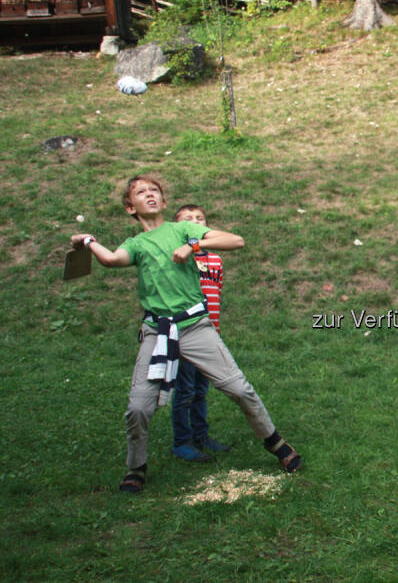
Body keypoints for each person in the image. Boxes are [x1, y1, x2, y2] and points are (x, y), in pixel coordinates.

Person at [70, 175, 302, 493]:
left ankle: (276, 444)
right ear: (130, 208)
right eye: (141, 192)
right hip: (157, 331)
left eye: (155, 191)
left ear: (164, 203)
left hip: (195, 326)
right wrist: (87, 242)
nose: (149, 195)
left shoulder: (183, 229)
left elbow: (235, 241)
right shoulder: (135, 244)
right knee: (139, 407)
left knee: (240, 389)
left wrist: (193, 245)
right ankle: (136, 468)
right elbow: (112, 260)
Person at [169, 204, 231, 462]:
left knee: (201, 389)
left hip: (210, 332)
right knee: (184, 390)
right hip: (186, 333)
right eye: (188, 220)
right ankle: (182, 441)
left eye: (200, 219)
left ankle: (201, 435)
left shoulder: (216, 260)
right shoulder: (179, 260)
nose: (195, 222)